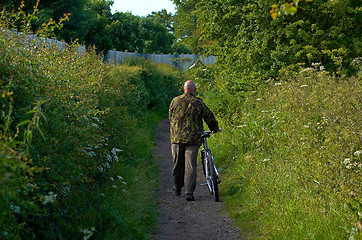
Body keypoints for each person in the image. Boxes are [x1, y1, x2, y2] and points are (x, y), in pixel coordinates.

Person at [169, 80, 219, 201]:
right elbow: (209, 117)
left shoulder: (175, 101)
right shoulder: (198, 103)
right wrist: (214, 129)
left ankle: (177, 188)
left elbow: (170, 117)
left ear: (183, 88)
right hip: (193, 139)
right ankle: (189, 193)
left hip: (176, 138)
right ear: (194, 90)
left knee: (177, 164)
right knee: (190, 165)